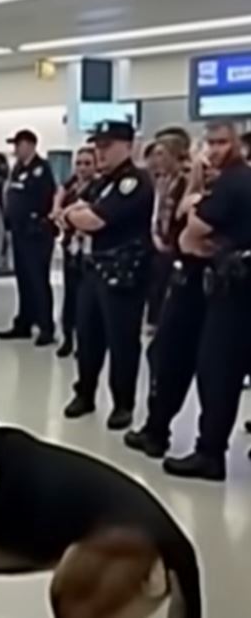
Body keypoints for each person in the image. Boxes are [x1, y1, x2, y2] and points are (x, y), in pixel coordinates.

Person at [160, 120, 251, 481]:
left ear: (237, 144)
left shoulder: (231, 182)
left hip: (234, 294)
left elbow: (190, 235)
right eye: (210, 142)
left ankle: (209, 454)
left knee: (218, 374)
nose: (214, 150)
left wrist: (195, 199)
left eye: (222, 142)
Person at [61, 121, 154, 431]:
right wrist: (76, 214)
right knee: (87, 336)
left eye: (108, 145)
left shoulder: (134, 182)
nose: (101, 152)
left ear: (128, 146)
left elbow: (93, 220)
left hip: (123, 274)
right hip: (93, 270)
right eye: (98, 145)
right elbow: (76, 209)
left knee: (122, 341)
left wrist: (74, 215)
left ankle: (122, 404)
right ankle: (84, 393)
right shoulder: (103, 183)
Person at [124, 150, 210, 462]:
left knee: (196, 364)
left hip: (204, 280)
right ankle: (156, 428)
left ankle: (199, 445)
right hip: (180, 271)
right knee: (163, 355)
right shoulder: (171, 185)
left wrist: (195, 194)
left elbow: (191, 231)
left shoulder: (201, 187)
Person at [0, 129, 57, 345]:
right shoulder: (18, 169)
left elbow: (44, 199)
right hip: (20, 232)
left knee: (38, 280)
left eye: (19, 144)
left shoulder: (40, 169)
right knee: (24, 280)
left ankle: (46, 327)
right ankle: (24, 322)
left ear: (30, 145)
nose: (15, 149)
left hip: (36, 234)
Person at [51, 147, 98, 358]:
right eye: (79, 163)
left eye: (87, 163)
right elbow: (58, 214)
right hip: (70, 247)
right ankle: (67, 337)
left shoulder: (99, 188)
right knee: (69, 297)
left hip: (90, 250)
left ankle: (84, 342)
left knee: (85, 300)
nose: (82, 168)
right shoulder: (70, 189)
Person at [146, 129, 192, 330]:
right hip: (159, 241)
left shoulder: (185, 181)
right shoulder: (162, 180)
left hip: (178, 245)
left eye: (161, 154)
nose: (157, 159)